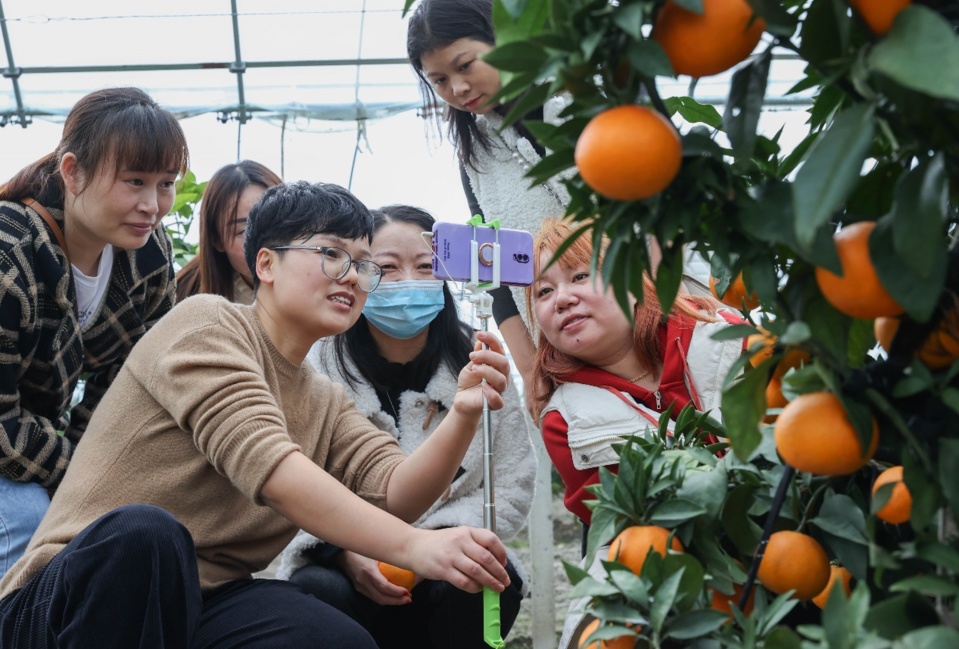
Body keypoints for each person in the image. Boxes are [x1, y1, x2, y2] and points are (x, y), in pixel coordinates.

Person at [0, 181, 514, 649]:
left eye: (363, 264)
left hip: (200, 606)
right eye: (332, 254)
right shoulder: (207, 324)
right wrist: (414, 548)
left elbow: (396, 493)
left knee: (332, 641)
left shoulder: (321, 398)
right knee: (146, 535)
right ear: (266, 264)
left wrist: (464, 413)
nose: (353, 277)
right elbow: (268, 466)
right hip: (69, 603)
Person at [406, 0, 712, 399]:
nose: (457, 88)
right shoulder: (477, 156)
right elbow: (498, 275)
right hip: (567, 352)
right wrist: (533, 373)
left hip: (673, 315)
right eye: (439, 80)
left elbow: (665, 205)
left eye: (466, 65)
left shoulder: (595, 96)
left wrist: (659, 311)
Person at [278, 204, 537, 648]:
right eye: (388, 268)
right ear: (359, 275)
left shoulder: (478, 359)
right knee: (318, 590)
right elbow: (285, 479)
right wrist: (346, 550)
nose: (409, 282)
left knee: (481, 578)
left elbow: (510, 483)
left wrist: (428, 546)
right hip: (347, 570)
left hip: (445, 567)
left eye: (424, 266)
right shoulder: (318, 362)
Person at [524, 218, 744, 648]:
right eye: (543, 292)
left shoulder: (721, 335)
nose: (562, 299)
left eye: (580, 276)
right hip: (657, 580)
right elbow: (621, 524)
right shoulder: (563, 420)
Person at [0, 86, 188, 578]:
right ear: (72, 172)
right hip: (10, 442)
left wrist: (98, 474)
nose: (153, 205)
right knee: (26, 523)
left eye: (166, 183)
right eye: (135, 181)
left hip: (37, 446)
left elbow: (134, 384)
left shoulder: (147, 254)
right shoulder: (9, 253)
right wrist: (82, 473)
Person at [175, 160, 282, 304]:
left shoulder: (319, 281)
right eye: (244, 230)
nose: (265, 241)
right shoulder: (186, 298)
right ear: (217, 240)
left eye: (274, 223)